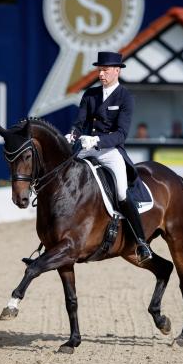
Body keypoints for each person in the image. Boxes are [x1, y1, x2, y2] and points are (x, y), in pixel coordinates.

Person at [65, 51, 152, 263]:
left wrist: (98, 141)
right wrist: (73, 135)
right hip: (87, 148)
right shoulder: (90, 94)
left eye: (105, 70)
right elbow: (79, 123)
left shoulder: (125, 98)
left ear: (116, 70)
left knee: (122, 193)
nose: (101, 74)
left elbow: (121, 134)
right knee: (65, 177)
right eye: (99, 70)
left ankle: (141, 242)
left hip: (110, 151)